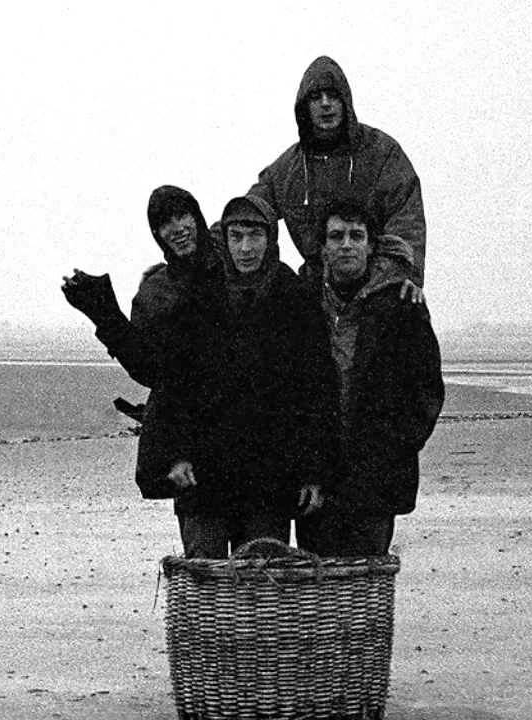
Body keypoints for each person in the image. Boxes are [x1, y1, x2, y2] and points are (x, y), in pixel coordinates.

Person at [150, 195, 339, 558]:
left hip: (271, 481)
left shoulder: (295, 299)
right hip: (205, 478)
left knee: (262, 590)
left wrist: (315, 471)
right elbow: (173, 384)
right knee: (205, 588)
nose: (245, 248)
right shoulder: (201, 296)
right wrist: (175, 454)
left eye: (255, 236)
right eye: (236, 237)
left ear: (271, 239)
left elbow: (318, 390)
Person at [296, 197, 444, 557]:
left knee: (367, 591)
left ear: (370, 245)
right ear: (323, 247)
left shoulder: (402, 306)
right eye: (336, 236)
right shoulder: (301, 305)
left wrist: (394, 450)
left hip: (375, 479)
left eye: (356, 235)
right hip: (317, 478)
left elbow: (426, 391)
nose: (346, 244)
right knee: (318, 591)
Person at [60, 185, 223, 501]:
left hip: (254, 451)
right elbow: (149, 370)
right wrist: (103, 313)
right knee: (204, 548)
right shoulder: (154, 294)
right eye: (165, 223)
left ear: (198, 217)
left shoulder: (235, 268)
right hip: (192, 455)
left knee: (264, 550)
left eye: (182, 216)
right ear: (156, 232)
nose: (177, 229)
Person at [248, 56, 428, 288]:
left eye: (333, 95)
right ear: (305, 107)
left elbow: (407, 220)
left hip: (378, 290)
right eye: (315, 97)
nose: (325, 104)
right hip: (316, 295)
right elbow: (248, 214)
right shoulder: (286, 170)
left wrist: (399, 277)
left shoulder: (383, 154)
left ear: (345, 102)